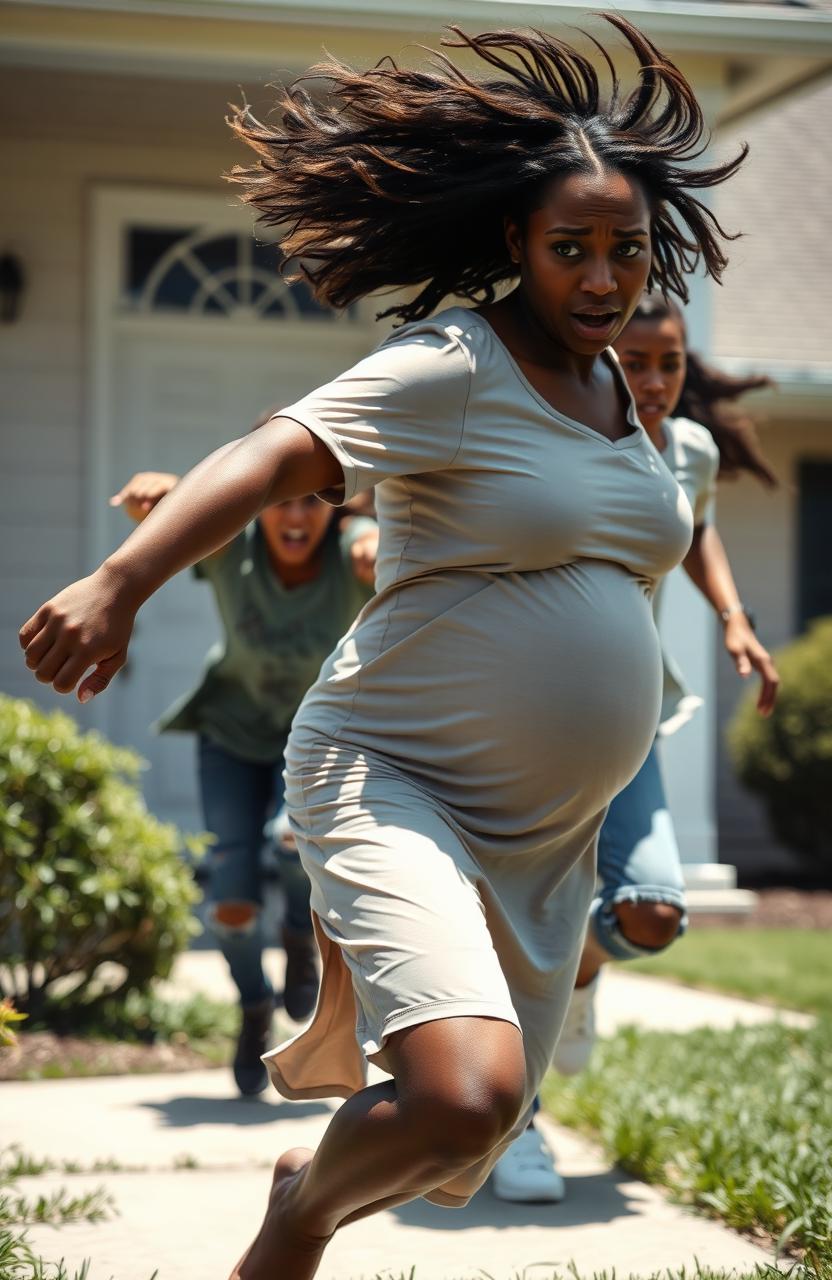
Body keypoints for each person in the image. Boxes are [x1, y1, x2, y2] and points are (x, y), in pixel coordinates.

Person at [20, 17, 750, 1277]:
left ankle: (315, 1183)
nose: (599, 277)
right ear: (513, 245)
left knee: (468, 1121)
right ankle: (296, 1213)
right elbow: (269, 451)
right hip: (394, 776)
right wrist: (122, 578)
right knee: (464, 1096)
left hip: (543, 833)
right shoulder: (455, 362)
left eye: (623, 251)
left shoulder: (623, 406)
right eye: (568, 247)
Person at [492, 294, 780, 1204]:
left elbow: (698, 530)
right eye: (638, 360)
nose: (655, 381)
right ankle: (517, 1133)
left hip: (632, 722)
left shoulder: (687, 451)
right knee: (523, 929)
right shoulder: (554, 437)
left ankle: (583, 971)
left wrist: (733, 618)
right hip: (526, 726)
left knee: (651, 910)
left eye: (672, 363)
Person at [109, 467, 377, 1095]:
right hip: (230, 734)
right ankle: (254, 1007)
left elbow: (368, 537)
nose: (296, 516)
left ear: (333, 509)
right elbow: (191, 507)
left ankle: (296, 934)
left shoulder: (351, 549)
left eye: (314, 501)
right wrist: (160, 493)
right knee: (230, 903)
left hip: (313, 739)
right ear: (257, 504)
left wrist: (368, 535)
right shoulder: (235, 548)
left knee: (290, 842)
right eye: (280, 500)